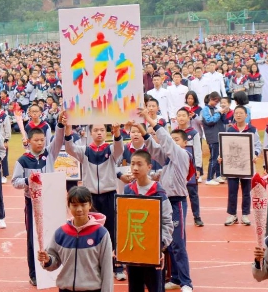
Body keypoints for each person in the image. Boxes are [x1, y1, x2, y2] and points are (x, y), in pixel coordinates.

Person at [134, 110, 194, 292]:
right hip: (162, 201)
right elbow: (153, 149)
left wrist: (149, 119)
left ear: (184, 143)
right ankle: (175, 277)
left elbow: (166, 142)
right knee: (167, 243)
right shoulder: (168, 160)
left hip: (176, 202)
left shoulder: (183, 156)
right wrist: (141, 129)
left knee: (178, 243)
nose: (173, 142)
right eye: (172, 139)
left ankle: (186, 282)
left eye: (177, 140)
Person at [64, 120, 127, 281]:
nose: (99, 133)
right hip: (90, 197)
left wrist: (117, 132)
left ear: (106, 133)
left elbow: (120, 148)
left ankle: (117, 265)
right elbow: (69, 148)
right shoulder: (84, 151)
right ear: (90, 133)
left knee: (113, 230)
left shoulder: (111, 149)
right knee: (91, 230)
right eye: (96, 130)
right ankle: (94, 265)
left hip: (109, 194)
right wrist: (68, 129)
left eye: (102, 130)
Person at [12, 111, 66, 286]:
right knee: (33, 238)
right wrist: (29, 181)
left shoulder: (49, 154)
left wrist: (59, 123)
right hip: (32, 203)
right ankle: (34, 272)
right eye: (36, 140)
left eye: (42, 140)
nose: (40, 143)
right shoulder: (23, 160)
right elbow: (15, 181)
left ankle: (55, 268)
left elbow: (58, 139)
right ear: (29, 141)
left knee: (55, 234)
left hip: (51, 200)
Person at [37, 186, 114, 292]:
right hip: (65, 289)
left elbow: (107, 269)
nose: (79, 209)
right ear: (68, 206)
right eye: (74, 205)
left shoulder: (101, 234)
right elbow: (53, 262)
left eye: (83, 205)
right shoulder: (61, 233)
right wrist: (47, 260)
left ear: (90, 205)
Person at [123, 149, 174, 292]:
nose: (135, 168)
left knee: (155, 288)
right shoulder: (128, 190)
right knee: (134, 287)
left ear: (149, 167)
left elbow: (167, 222)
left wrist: (160, 245)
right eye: (132, 164)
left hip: (153, 252)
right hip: (133, 250)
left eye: (139, 164)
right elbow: (122, 220)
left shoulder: (158, 191)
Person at [222, 105, 261, 226]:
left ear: (246, 115)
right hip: (232, 166)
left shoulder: (252, 130)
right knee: (232, 190)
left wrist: (255, 154)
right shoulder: (230, 130)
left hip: (247, 166)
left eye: (241, 113)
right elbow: (225, 146)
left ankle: (245, 214)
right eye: (236, 113)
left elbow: (258, 145)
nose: (238, 115)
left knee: (246, 191)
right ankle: (232, 214)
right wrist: (221, 156)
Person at [174, 107, 204, 227]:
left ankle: (197, 217)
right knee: (177, 193)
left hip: (190, 168)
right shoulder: (174, 133)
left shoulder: (193, 133)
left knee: (193, 193)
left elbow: (197, 151)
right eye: (179, 115)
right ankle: (177, 218)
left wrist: (198, 168)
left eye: (183, 115)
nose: (181, 118)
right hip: (177, 168)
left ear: (188, 117)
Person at [202, 92, 227, 185]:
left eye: (218, 101)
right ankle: (209, 178)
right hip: (212, 136)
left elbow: (224, 121)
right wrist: (218, 113)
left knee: (219, 157)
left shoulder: (216, 109)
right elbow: (209, 121)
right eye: (215, 101)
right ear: (210, 99)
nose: (216, 103)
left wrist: (223, 113)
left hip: (220, 135)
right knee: (213, 157)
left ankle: (218, 175)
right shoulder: (205, 109)